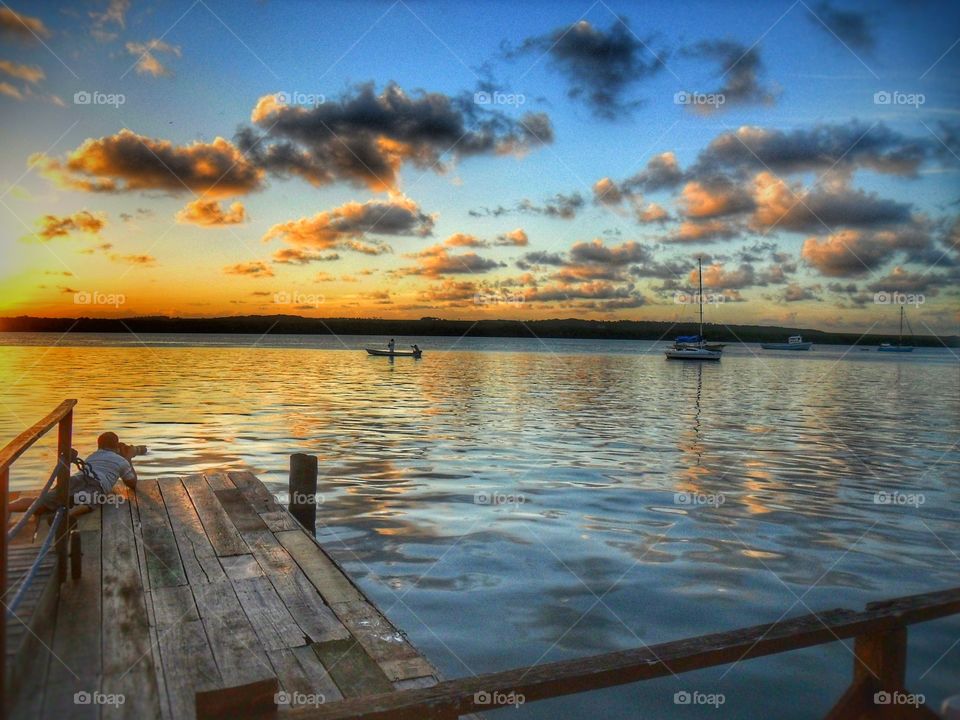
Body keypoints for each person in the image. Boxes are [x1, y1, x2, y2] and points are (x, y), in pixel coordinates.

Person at [9, 431, 139, 517]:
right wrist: (128, 457)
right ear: (116, 446)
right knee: (86, 502)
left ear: (99, 445)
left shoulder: (93, 455)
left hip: (77, 478)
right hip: (96, 484)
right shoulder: (121, 461)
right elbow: (132, 483)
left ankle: (8, 507)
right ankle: (65, 518)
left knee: (42, 501)